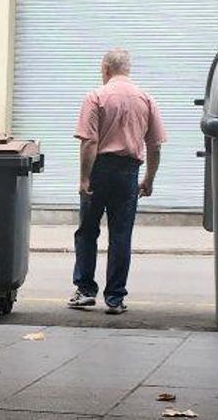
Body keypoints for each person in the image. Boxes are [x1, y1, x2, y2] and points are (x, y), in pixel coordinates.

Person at [67, 48, 167, 315]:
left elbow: (89, 141)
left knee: (87, 231)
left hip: (99, 169)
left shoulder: (96, 96)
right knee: (121, 235)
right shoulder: (146, 99)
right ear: (128, 69)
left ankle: (86, 291)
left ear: (105, 69)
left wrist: (84, 178)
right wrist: (149, 179)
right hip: (128, 172)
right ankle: (115, 299)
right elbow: (155, 145)